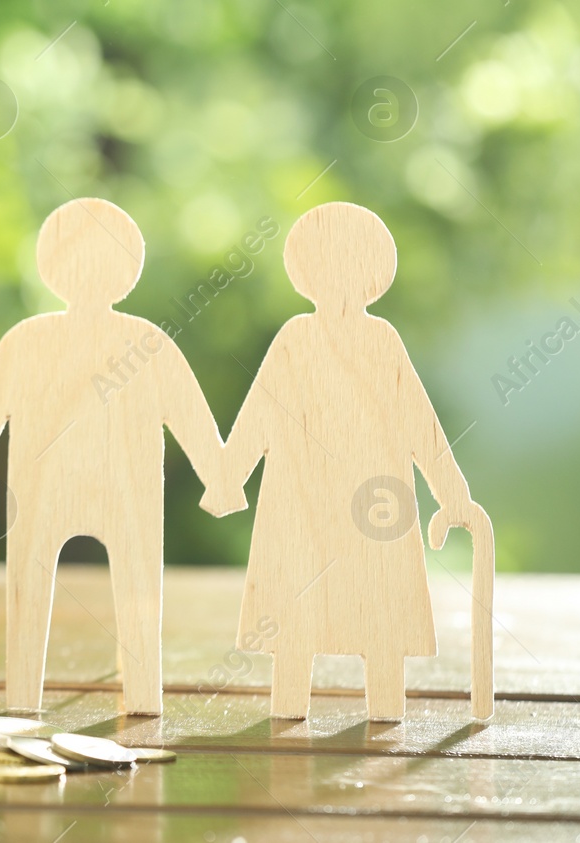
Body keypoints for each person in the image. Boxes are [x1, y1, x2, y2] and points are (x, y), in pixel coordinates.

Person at [0, 198, 222, 714]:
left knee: (36, 590)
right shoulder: (147, 342)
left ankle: (26, 699)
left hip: (53, 493)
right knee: (131, 586)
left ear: (49, 266)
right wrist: (220, 478)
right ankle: (139, 697)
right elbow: (195, 422)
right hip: (113, 495)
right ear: (131, 269)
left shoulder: (28, 340)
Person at [204, 202, 489, 720]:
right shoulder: (303, 340)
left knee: (371, 610)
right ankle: (299, 705)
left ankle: (375, 707)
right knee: (305, 614)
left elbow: (419, 424)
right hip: (319, 505)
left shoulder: (371, 341)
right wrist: (226, 478)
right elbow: (260, 415)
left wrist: (453, 495)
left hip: (363, 506)